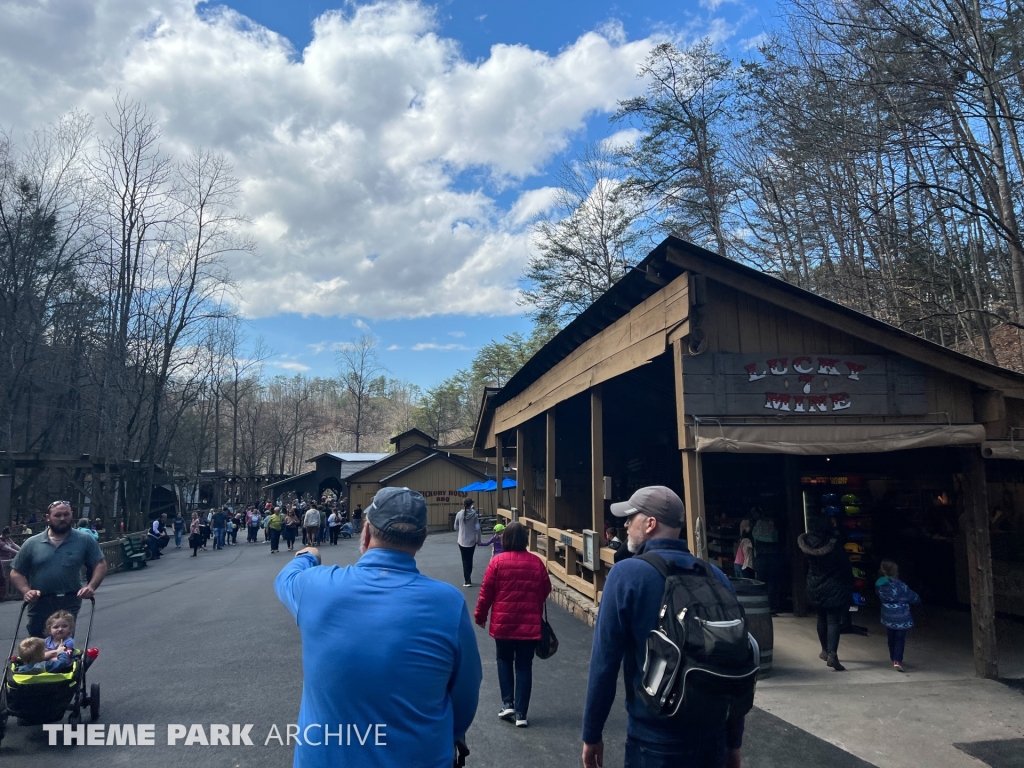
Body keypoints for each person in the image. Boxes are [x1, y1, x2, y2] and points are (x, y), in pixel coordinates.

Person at [275, 487, 481, 768]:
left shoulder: (316, 586)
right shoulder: (447, 603)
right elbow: (465, 696)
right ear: (422, 539)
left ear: (367, 531)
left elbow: (285, 577)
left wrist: (308, 555)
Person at [582, 486, 744, 768]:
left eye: (630, 518)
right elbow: (734, 657)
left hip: (655, 739)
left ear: (650, 524)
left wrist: (592, 733)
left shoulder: (627, 574)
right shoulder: (715, 575)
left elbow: (604, 664)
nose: (626, 525)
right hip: (713, 736)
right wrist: (734, 742)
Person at [473, 521, 551, 728]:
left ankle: (508, 702)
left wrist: (480, 615)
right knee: (524, 666)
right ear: (525, 540)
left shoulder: (497, 562)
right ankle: (521, 714)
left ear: (505, 539)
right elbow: (545, 589)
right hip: (529, 623)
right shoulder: (536, 562)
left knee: (504, 660)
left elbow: (486, 593)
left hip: (503, 622)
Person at [9, 501, 107, 638]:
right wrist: (26, 591)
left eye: (66, 514)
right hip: (40, 600)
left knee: (63, 643)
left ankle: (64, 658)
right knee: (37, 642)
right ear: (48, 517)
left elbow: (100, 564)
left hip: (70, 598)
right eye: (58, 515)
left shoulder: (84, 540)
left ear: (71, 515)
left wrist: (91, 587)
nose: (62, 518)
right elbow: (16, 571)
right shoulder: (32, 543)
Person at [798, 517, 853, 672]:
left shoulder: (806, 542)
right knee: (833, 620)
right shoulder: (833, 544)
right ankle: (833, 654)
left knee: (821, 617)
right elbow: (844, 565)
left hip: (813, 584)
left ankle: (824, 650)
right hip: (833, 585)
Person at [875, 559, 921, 672]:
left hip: (888, 615)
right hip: (901, 616)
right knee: (900, 639)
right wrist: (918, 600)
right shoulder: (900, 585)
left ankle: (892, 657)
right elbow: (912, 597)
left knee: (891, 637)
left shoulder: (879, 584)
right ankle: (897, 660)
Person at [454, 498, 481, 587]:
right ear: (471, 505)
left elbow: (456, 528)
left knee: (464, 560)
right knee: (470, 559)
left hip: (461, 540)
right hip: (472, 540)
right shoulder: (475, 515)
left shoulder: (459, 514)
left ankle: (467, 580)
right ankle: (468, 577)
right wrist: (479, 539)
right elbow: (477, 528)